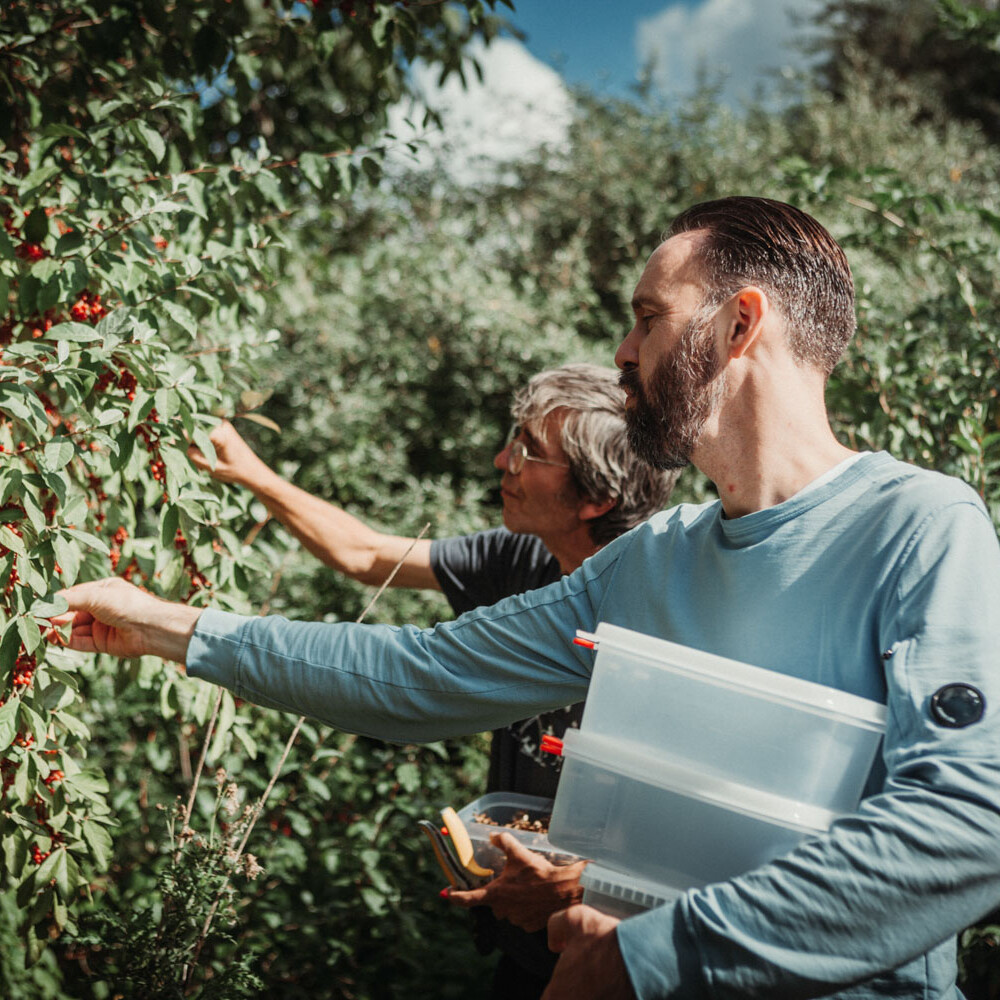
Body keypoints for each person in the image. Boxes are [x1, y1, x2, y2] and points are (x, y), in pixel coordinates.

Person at [55, 197, 1000, 1000]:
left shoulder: (918, 528)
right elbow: (420, 675)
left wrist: (650, 955)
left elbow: (966, 825)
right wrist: (170, 628)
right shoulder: (655, 560)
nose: (623, 353)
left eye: (645, 317)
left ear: (738, 325)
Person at [186, 364, 679, 998]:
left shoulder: (658, 616)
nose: (504, 459)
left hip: (612, 956)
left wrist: (579, 879)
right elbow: (365, 555)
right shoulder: (522, 557)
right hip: (519, 941)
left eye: (528, 451)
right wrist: (250, 472)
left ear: (595, 499)